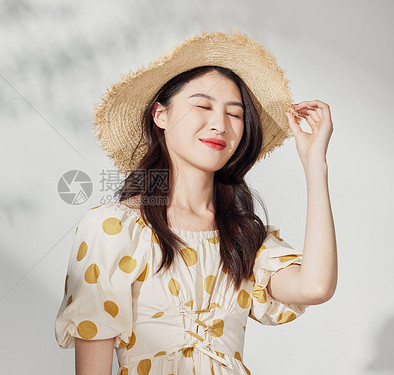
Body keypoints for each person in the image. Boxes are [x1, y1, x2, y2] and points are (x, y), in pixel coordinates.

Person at [54, 30, 337, 375]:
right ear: (161, 115)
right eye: (202, 106)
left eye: (234, 115)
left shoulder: (243, 234)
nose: (219, 124)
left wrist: (314, 164)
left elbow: (316, 286)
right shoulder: (113, 228)